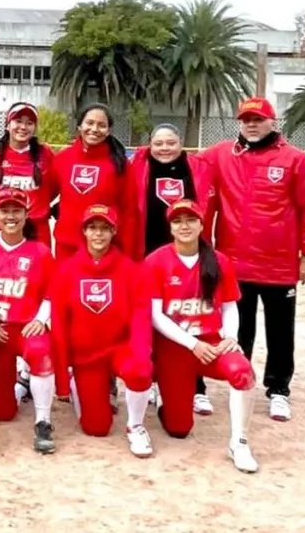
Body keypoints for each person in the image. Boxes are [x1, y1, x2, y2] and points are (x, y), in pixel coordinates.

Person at [202, 97, 305, 422]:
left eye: (258, 119)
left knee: (280, 332)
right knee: (239, 331)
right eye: (245, 119)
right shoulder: (220, 155)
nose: (251, 124)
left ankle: (278, 390)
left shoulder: (295, 160)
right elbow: (176, 159)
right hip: (234, 264)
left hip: (280, 265)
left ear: (273, 122)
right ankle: (240, 382)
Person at [144, 199, 259, 473]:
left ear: (201, 224)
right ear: (170, 227)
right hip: (175, 346)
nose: (184, 226)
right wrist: (191, 343)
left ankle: (239, 442)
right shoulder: (156, 261)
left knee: (242, 371)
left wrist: (230, 336)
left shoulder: (218, 261)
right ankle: (164, 394)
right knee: (179, 429)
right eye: (177, 221)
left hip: (210, 342)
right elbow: (155, 315)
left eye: (190, 220)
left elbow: (230, 306)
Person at [50, 204, 154, 458]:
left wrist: (141, 359)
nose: (98, 234)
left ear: (113, 231)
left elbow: (141, 317)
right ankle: (83, 388)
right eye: (93, 228)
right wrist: (63, 378)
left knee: (139, 371)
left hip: (119, 348)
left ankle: (136, 425)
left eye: (105, 228)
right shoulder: (67, 270)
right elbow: (59, 324)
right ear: (84, 232)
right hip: (87, 356)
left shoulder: (130, 270)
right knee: (96, 428)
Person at [129, 123, 217, 415]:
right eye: (158, 143)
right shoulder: (139, 165)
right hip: (150, 257)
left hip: (191, 255)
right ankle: (155, 380)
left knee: (193, 315)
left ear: (182, 144)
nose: (164, 148)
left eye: (171, 142)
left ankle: (198, 386)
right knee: (153, 317)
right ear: (149, 146)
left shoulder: (198, 168)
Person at [0, 189, 57, 454]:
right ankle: (22, 387)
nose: (11, 216)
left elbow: (52, 292)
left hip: (25, 327)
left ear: (26, 214)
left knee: (42, 352)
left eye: (16, 210)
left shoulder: (40, 251)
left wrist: (41, 319)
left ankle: (43, 421)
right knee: (2, 413)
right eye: (5, 211)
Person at [51, 104, 137, 263]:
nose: (95, 129)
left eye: (102, 125)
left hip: (104, 245)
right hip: (67, 245)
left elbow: (130, 211)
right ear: (79, 125)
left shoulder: (120, 164)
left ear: (109, 130)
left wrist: (128, 252)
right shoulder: (63, 159)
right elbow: (45, 194)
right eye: (89, 123)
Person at [0, 102, 57, 248]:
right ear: (7, 124)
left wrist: (40, 204)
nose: (23, 127)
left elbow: (54, 187)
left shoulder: (46, 155)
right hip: (5, 227)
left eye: (29, 123)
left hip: (38, 230)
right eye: (18, 121)